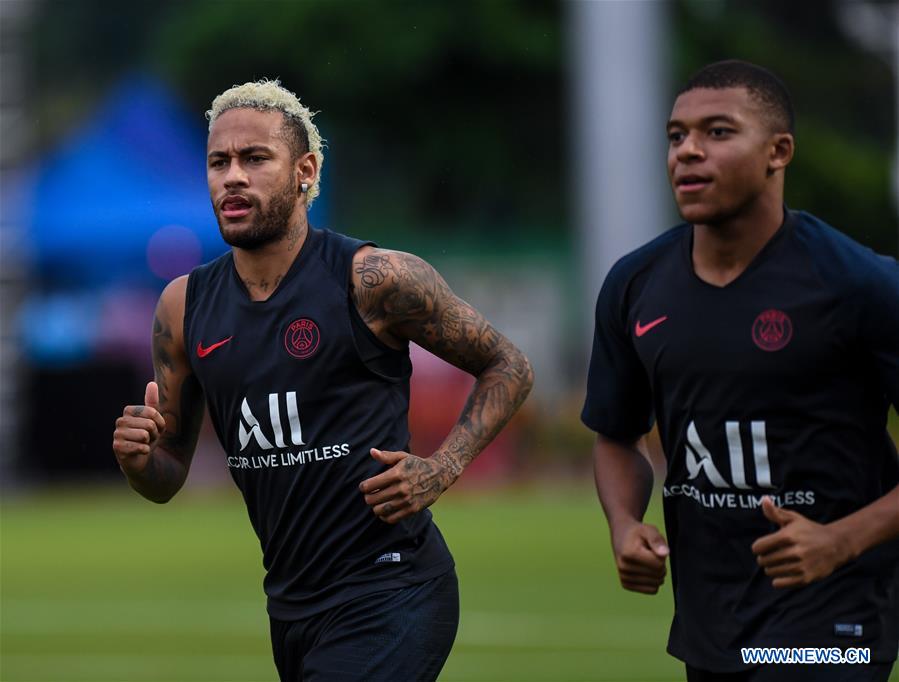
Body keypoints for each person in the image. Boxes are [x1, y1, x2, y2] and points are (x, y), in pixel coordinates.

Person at [112, 78, 534, 681]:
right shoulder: (183, 307)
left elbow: (509, 365)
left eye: (255, 159)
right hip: (290, 606)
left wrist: (442, 468)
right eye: (218, 161)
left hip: (394, 587)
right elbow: (166, 477)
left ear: (305, 170)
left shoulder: (375, 279)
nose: (233, 176)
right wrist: (138, 461)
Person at [581, 60, 898, 682]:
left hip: (838, 613)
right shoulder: (635, 285)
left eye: (718, 132)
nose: (688, 152)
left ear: (778, 152)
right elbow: (617, 434)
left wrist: (841, 540)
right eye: (676, 136)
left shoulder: (858, 283)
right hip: (711, 617)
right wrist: (624, 524)